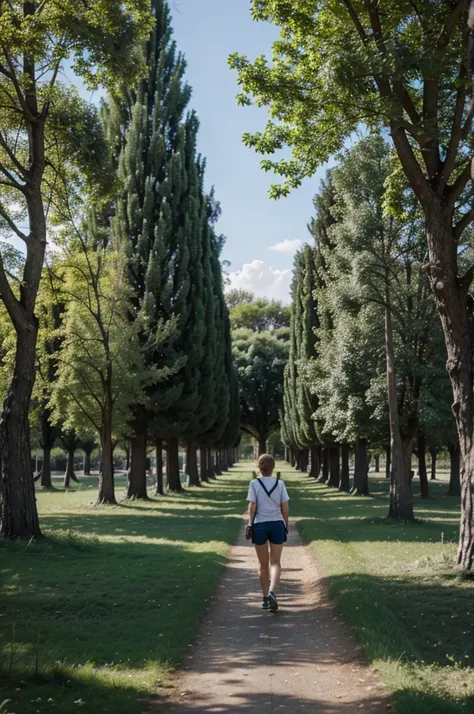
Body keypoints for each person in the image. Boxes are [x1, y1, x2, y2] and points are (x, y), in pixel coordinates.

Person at [247, 453, 290, 612]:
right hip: (277, 524)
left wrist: (250, 523)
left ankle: (265, 597)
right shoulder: (280, 484)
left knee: (262, 564)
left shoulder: (254, 484)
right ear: (273, 468)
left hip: (260, 526)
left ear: (259, 467)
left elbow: (252, 507)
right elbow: (285, 508)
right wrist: (285, 524)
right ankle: (272, 591)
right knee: (276, 562)